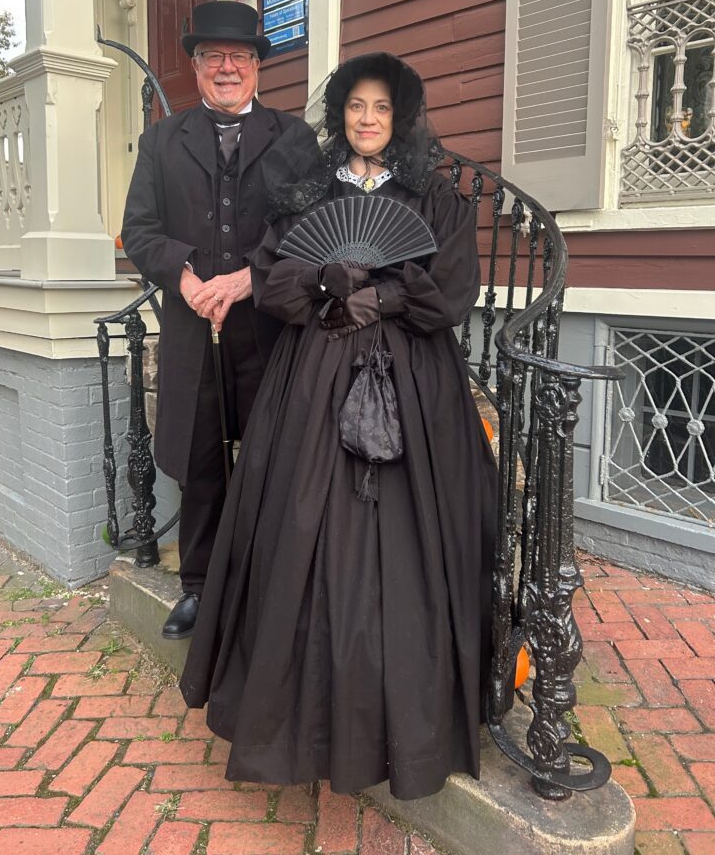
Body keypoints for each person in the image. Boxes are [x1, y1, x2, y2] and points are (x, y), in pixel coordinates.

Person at [179, 52, 497, 800]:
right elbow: (273, 275)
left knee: (410, 540)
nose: (367, 120)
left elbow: (450, 289)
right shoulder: (305, 193)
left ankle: (408, 722)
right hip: (313, 378)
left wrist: (383, 300)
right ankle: (299, 723)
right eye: (355, 106)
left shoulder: (433, 199)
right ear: (340, 114)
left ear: (401, 117)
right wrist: (327, 282)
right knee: (299, 524)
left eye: (381, 108)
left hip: (412, 380)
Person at [121, 0, 317, 640]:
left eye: (238, 56)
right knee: (202, 456)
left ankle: (267, 580)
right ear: (197, 67)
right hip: (192, 326)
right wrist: (184, 278)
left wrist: (248, 278)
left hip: (268, 325)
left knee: (272, 452)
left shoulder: (294, 138)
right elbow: (140, 230)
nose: (226, 67)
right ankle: (200, 586)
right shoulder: (160, 140)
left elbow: (308, 227)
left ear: (258, 65)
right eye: (212, 57)